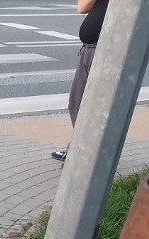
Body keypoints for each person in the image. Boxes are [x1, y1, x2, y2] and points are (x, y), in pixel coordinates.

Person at [52, 0, 109, 161]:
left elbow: (82, 6)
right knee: (79, 103)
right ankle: (79, 149)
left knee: (85, 105)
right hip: (93, 48)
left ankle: (84, 155)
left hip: (101, 49)